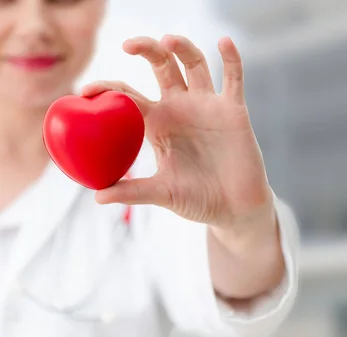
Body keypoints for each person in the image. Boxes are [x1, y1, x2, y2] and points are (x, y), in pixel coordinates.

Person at [0, 0, 299, 336]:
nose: (34, 27)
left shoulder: (159, 171)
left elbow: (237, 290)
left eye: (64, 0)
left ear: (100, 8)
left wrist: (241, 226)